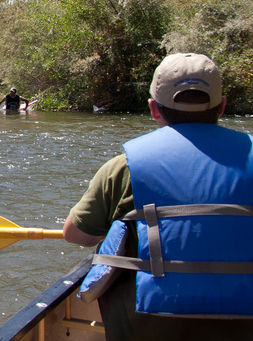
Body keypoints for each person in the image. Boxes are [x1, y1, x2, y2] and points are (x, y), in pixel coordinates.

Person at [63, 53, 253, 341]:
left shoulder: (124, 167)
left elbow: (77, 235)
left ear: (154, 108)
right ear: (222, 106)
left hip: (149, 326)